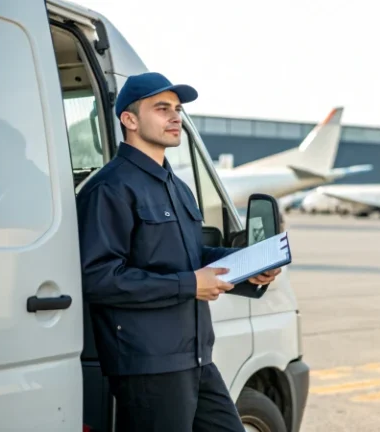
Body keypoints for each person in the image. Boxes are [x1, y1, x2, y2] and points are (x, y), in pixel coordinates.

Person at [76, 72, 281, 432]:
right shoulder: (110, 188)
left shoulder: (178, 187)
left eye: (177, 108)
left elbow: (191, 257)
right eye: (162, 108)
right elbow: (99, 279)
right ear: (130, 120)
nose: (176, 117)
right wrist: (188, 285)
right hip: (148, 365)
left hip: (196, 359)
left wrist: (248, 270)